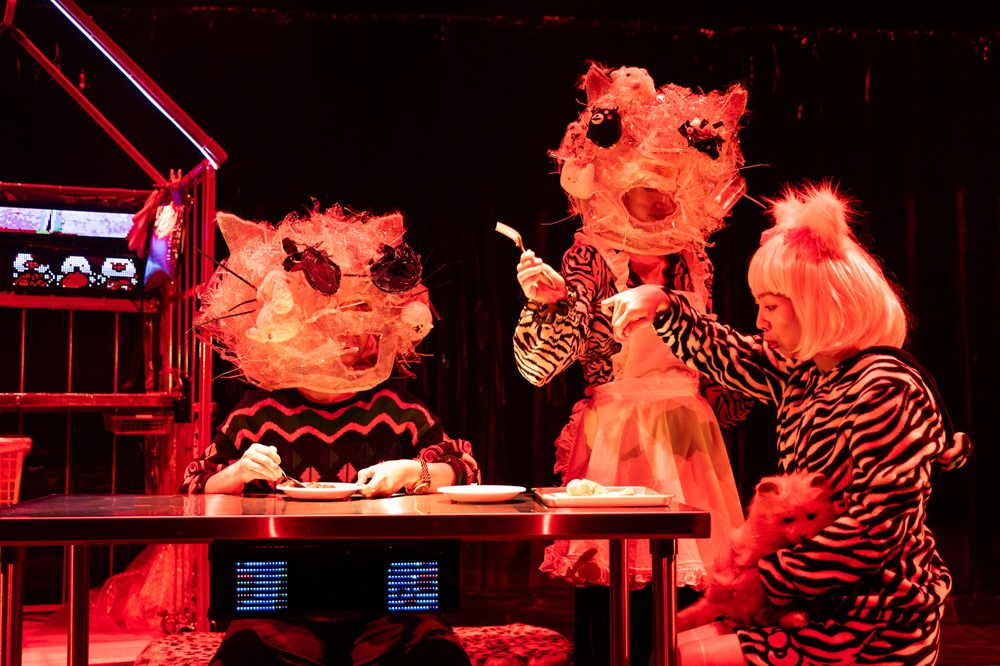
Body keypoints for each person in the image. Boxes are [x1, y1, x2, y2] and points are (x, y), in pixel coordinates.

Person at [601, 182, 971, 665]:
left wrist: (768, 579)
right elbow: (732, 353)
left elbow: (875, 529)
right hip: (811, 601)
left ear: (820, 302)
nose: (760, 321)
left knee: (681, 656)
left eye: (771, 306)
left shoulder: (885, 387)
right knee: (668, 647)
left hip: (870, 618)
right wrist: (662, 304)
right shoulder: (809, 372)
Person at [511, 62, 754, 664]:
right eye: (645, 183)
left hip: (691, 441)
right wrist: (549, 306)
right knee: (617, 587)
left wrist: (737, 390)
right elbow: (540, 367)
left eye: (670, 184)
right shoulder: (593, 255)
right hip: (621, 440)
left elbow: (713, 363)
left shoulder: (694, 258)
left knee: (691, 595)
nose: (658, 198)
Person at [183, 204, 479, 666]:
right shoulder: (256, 415)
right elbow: (193, 485)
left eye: (355, 322)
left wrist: (415, 471)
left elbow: (467, 468)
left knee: (436, 659)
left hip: (396, 598)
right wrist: (235, 472)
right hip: (278, 602)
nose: (342, 338)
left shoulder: (397, 409)